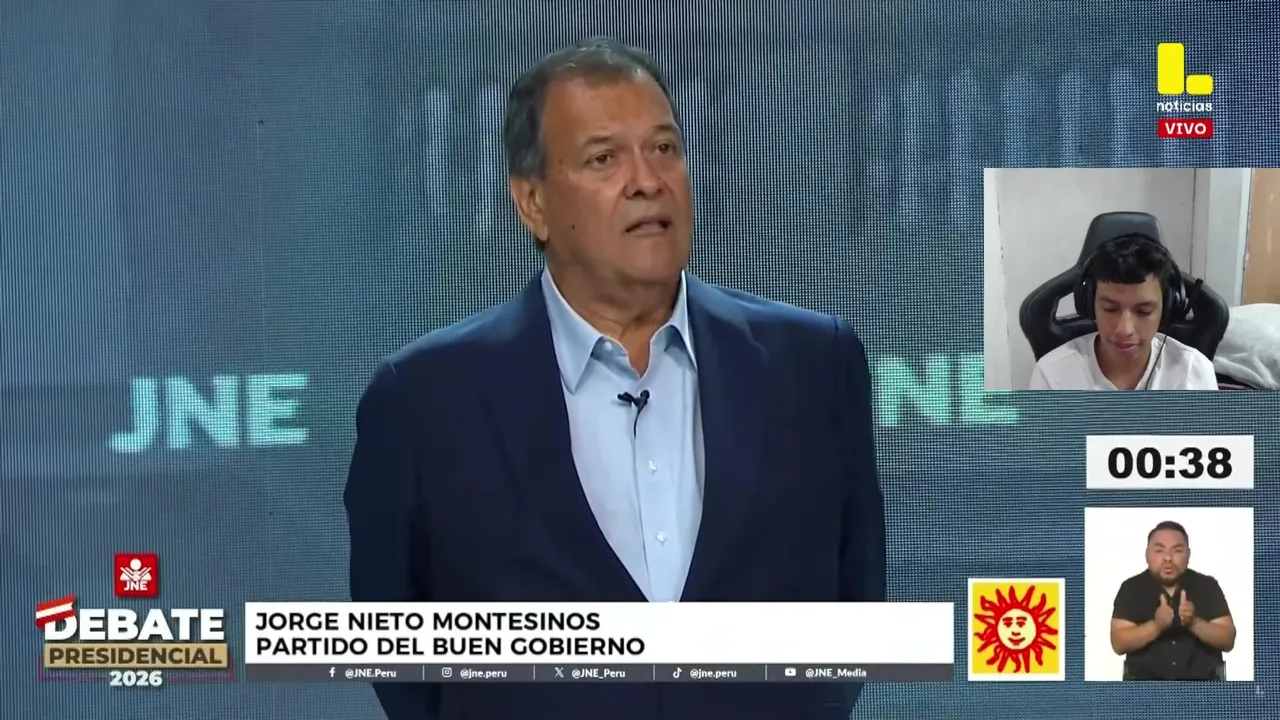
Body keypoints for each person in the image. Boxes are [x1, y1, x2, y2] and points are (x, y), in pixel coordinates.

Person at [344, 37, 886, 720]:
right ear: (533, 203)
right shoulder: (423, 400)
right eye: (604, 159)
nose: (647, 180)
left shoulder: (813, 365)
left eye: (664, 149)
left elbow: (854, 614)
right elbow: (402, 661)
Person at [1028, 234, 1218, 390]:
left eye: (1143, 312)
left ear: (1168, 309)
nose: (1124, 330)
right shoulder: (1052, 374)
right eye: (1110, 309)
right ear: (1090, 304)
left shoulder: (1192, 371)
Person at [1109, 521, 1236, 680]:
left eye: (1177, 551)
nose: (1168, 558)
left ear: (1188, 555)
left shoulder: (1207, 585)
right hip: (1144, 688)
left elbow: (1227, 640)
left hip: (1203, 688)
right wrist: (1156, 626)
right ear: (1147, 554)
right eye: (1159, 550)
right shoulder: (1131, 588)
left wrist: (1193, 623)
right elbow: (1119, 643)